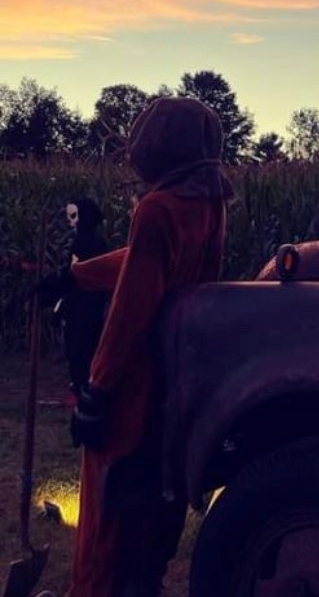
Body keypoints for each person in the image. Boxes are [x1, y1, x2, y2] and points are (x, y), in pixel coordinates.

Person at [36, 96, 233, 597]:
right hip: (180, 376)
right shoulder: (207, 202)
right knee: (150, 520)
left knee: (109, 519)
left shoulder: (157, 207)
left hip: (137, 385)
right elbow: (145, 258)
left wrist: (98, 390)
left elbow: (132, 308)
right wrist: (76, 276)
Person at [55, 197, 109, 399]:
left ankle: (79, 389)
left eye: (75, 216)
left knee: (76, 349)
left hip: (78, 304)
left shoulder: (78, 242)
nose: (72, 221)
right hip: (94, 303)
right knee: (90, 348)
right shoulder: (100, 241)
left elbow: (68, 273)